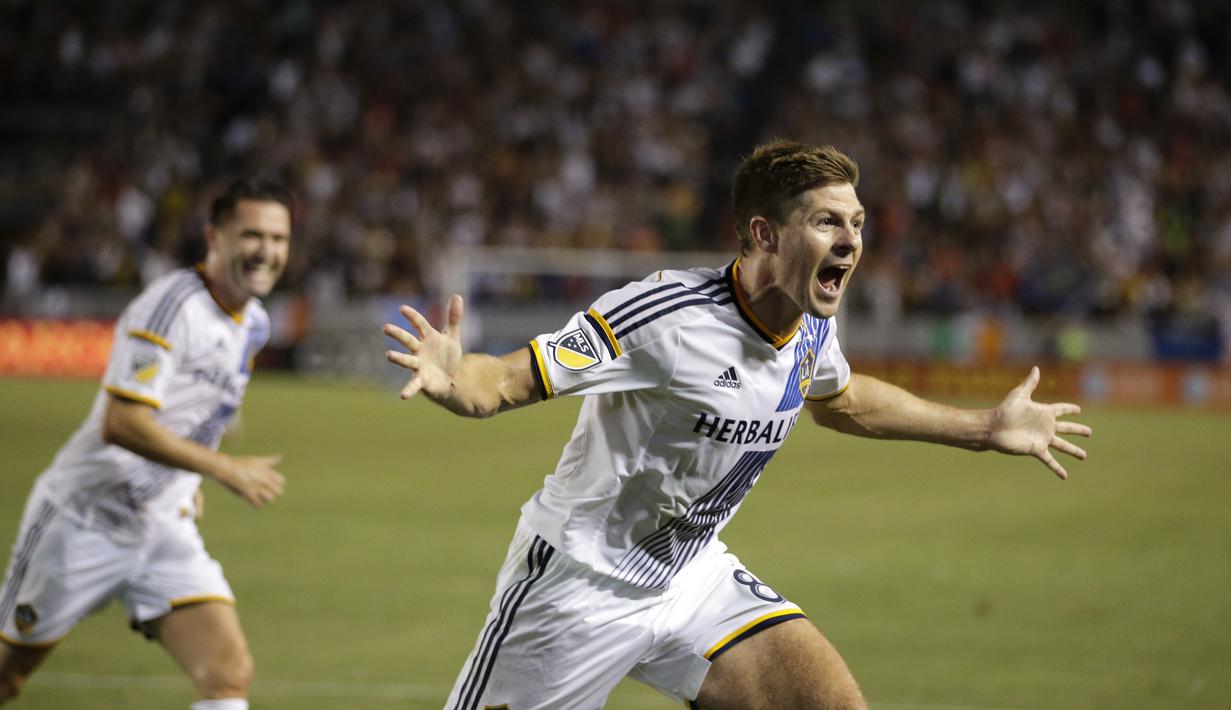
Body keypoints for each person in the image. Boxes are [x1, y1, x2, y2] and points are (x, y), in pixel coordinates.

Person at [383, 140, 1092, 710]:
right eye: (826, 222)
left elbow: (840, 399)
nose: (850, 241)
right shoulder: (664, 317)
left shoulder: (810, 323)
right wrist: (457, 376)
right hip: (576, 585)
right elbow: (508, 379)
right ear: (764, 233)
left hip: (691, 578)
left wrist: (982, 427)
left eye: (857, 224)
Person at [0, 179, 293, 710]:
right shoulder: (171, 306)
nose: (267, 251)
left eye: (279, 238)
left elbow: (201, 410)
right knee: (8, 676)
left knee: (228, 673)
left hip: (162, 528)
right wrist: (222, 468)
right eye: (252, 235)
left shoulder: (255, 324)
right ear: (214, 236)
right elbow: (122, 422)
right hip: (84, 519)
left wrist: (188, 477)